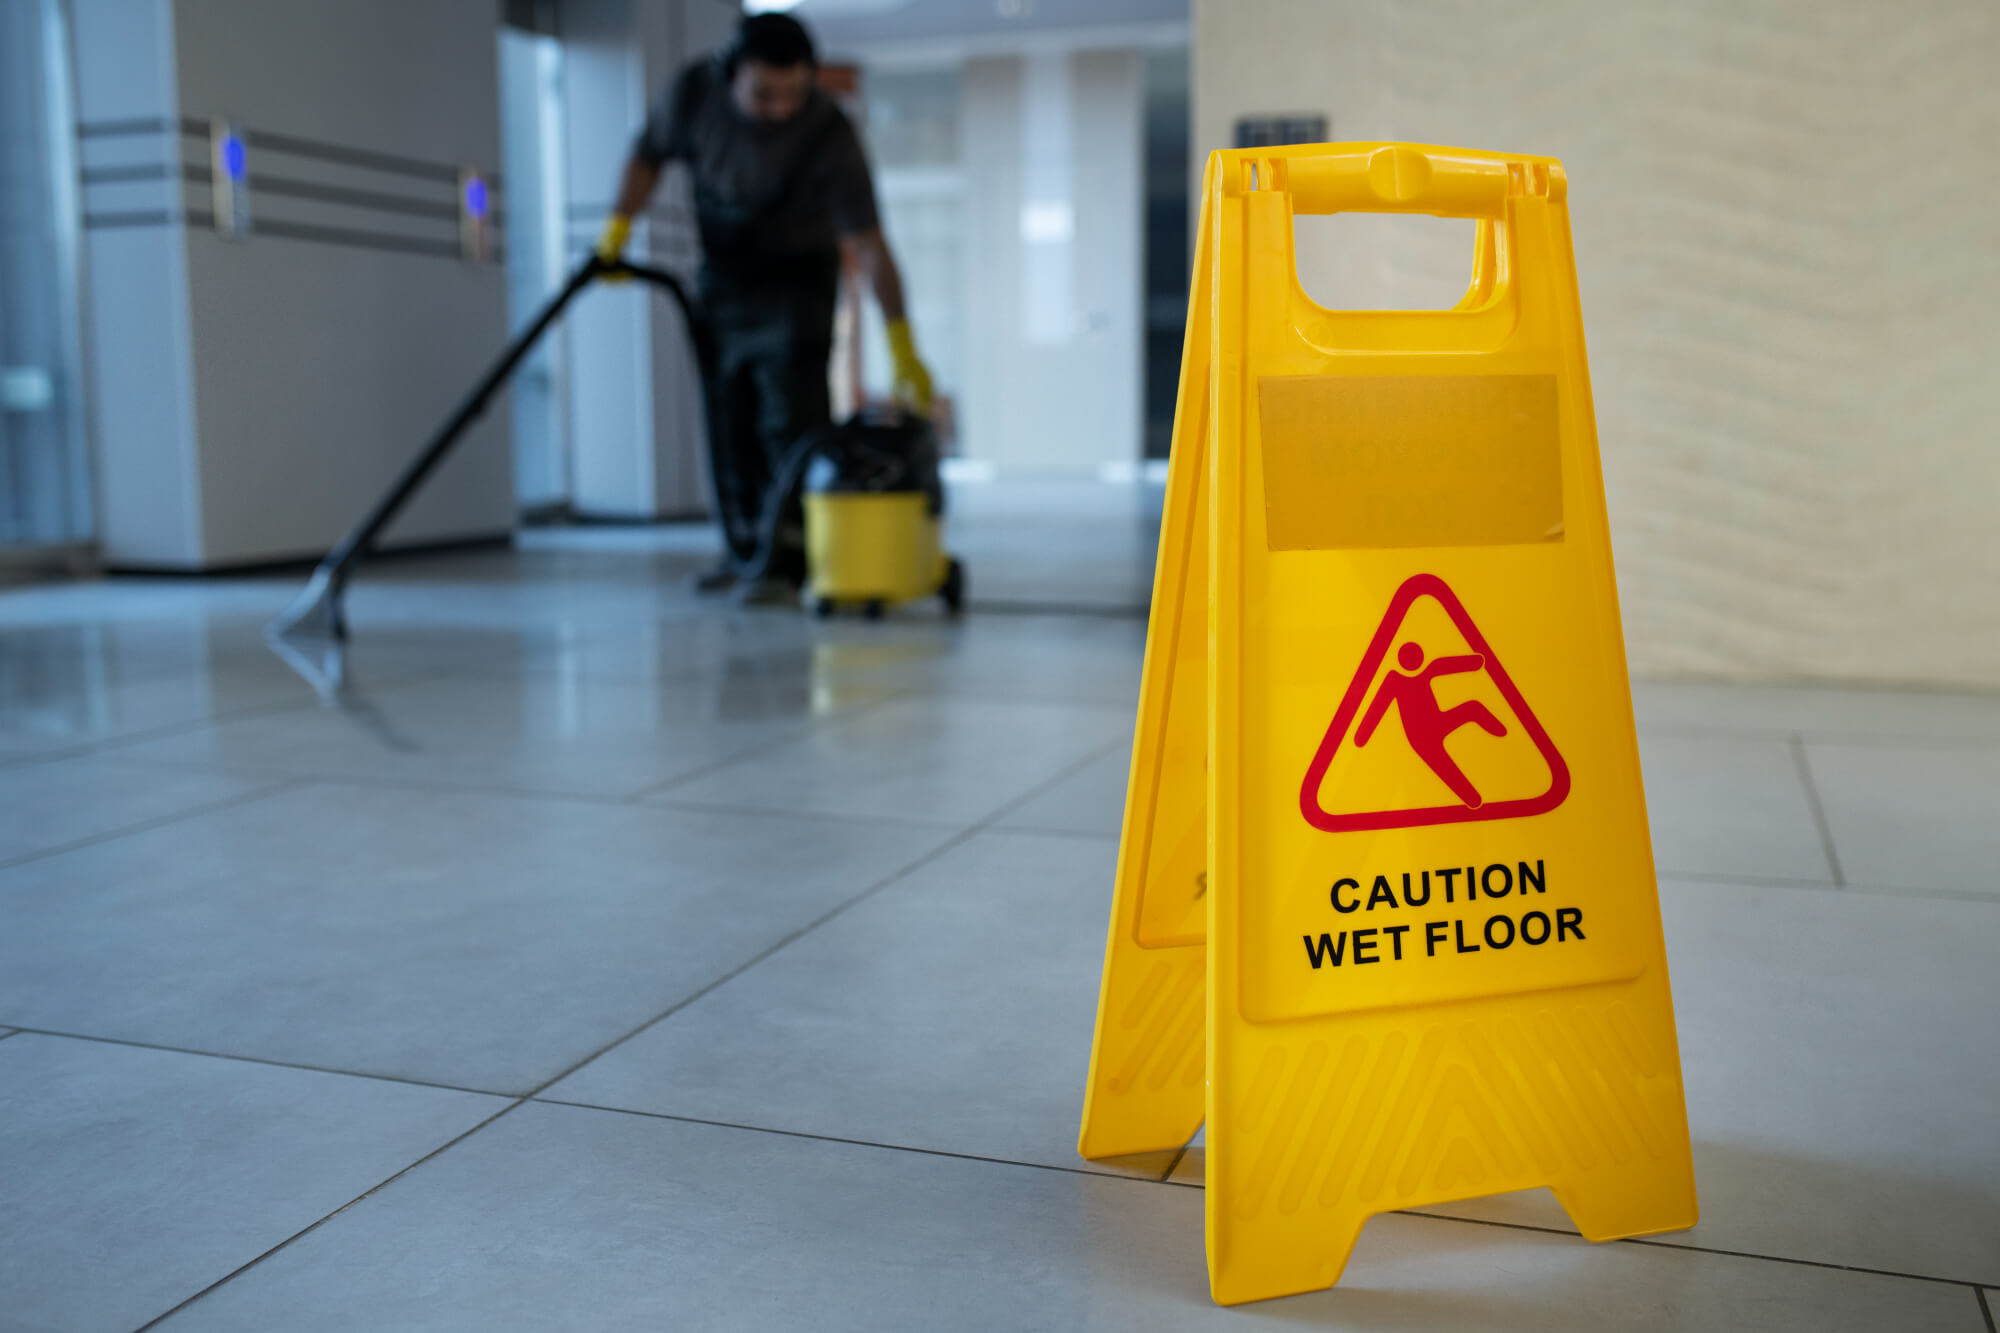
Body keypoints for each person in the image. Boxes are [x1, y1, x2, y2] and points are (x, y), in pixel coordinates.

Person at [595, 12, 932, 597]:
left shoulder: (829, 133)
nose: (780, 108)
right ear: (731, 77)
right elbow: (646, 155)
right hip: (723, 279)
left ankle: (791, 559)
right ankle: (744, 552)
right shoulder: (693, 93)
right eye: (764, 95)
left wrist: (902, 342)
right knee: (728, 422)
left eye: (794, 93)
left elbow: (870, 243)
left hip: (800, 283)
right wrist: (617, 230)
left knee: (791, 421)